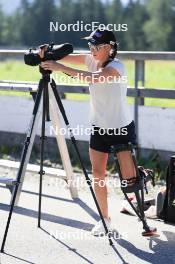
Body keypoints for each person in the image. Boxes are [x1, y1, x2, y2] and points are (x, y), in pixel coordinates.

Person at [40, 28, 136, 236]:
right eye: (90, 46)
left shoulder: (117, 67)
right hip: (99, 126)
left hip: (121, 127)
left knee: (130, 181)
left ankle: (138, 190)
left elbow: (92, 78)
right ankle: (105, 219)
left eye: (97, 47)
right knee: (98, 173)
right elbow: (66, 56)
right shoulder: (90, 58)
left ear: (110, 48)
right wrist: (47, 52)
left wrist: (58, 66)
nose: (92, 50)